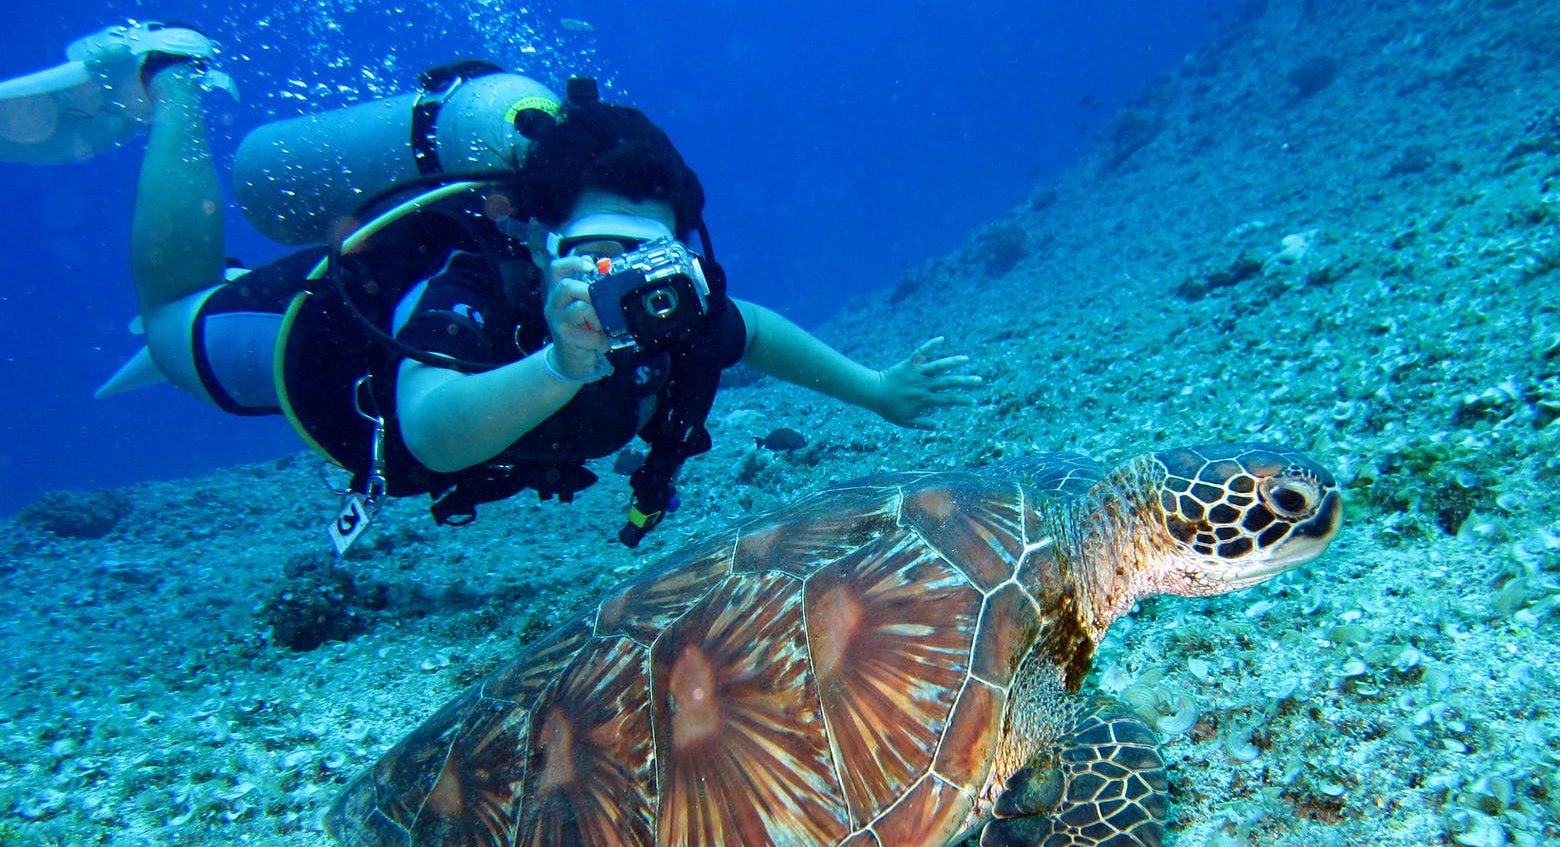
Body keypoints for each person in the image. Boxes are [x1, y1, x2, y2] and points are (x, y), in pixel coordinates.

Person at [15, 23, 981, 549]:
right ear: (530, 232)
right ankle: (172, 79)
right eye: (596, 251)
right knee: (170, 322)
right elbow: (432, 431)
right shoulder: (472, 282)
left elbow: (754, 330)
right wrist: (562, 365)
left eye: (654, 254)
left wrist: (879, 392)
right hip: (307, 344)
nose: (625, 280)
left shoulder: (663, 303)